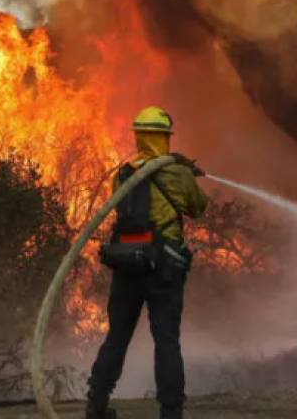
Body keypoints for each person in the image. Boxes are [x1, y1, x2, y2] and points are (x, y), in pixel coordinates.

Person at [86, 106, 208, 419]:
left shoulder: (123, 175)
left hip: (127, 265)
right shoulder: (177, 174)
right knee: (166, 338)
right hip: (162, 268)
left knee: (117, 336)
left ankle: (96, 405)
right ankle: (170, 412)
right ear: (165, 138)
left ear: (139, 137)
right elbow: (198, 208)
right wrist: (187, 175)